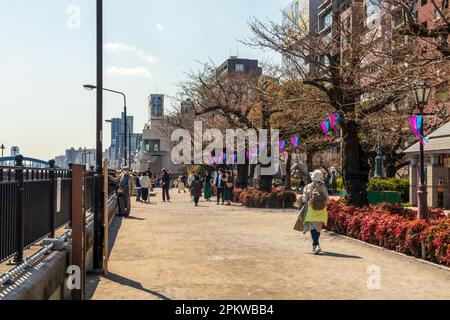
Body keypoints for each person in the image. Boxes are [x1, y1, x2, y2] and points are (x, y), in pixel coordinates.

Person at [301, 170, 330, 255]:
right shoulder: (324, 188)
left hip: (311, 211)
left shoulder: (308, 187)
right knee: (318, 228)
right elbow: (327, 200)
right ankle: (316, 245)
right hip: (321, 211)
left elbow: (304, 199)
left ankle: (315, 245)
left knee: (313, 228)